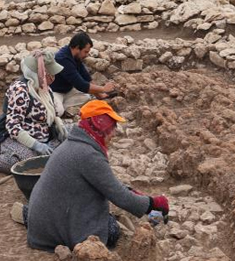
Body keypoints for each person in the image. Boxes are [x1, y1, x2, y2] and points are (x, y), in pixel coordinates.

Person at [24, 100, 169, 252]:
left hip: (41, 226)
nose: (114, 133)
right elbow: (120, 196)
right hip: (49, 235)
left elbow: (109, 183)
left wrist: (141, 198)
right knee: (111, 229)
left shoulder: (74, 144)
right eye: (112, 127)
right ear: (100, 126)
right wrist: (153, 203)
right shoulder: (88, 154)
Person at [0, 50, 68, 175]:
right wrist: (36, 145)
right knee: (27, 162)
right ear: (39, 74)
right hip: (15, 139)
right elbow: (13, 127)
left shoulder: (44, 88)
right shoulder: (20, 90)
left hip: (44, 137)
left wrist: (59, 126)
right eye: (50, 74)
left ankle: (40, 153)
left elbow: (52, 114)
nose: (53, 77)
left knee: (68, 145)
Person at [50, 32, 116, 116]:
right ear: (77, 48)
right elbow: (81, 85)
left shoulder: (75, 56)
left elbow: (86, 77)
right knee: (58, 111)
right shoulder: (62, 59)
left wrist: (100, 95)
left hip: (68, 91)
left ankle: (62, 106)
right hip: (55, 91)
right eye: (85, 52)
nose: (87, 55)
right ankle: (58, 106)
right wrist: (103, 89)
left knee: (87, 97)